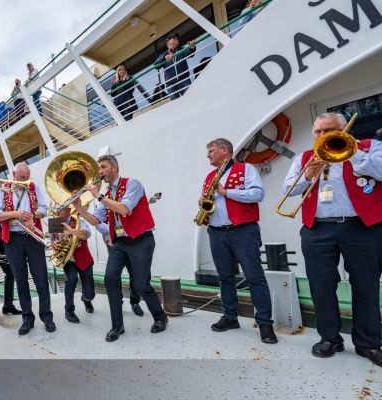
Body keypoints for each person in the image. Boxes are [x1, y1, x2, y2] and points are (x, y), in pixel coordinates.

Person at [282, 113, 382, 366]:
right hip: (317, 229)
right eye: (318, 131)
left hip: (362, 227)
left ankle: (368, 343)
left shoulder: (370, 147)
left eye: (330, 130)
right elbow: (287, 190)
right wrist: (307, 175)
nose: (323, 135)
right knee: (321, 286)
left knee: (366, 285)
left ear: (345, 129)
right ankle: (330, 338)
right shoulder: (304, 158)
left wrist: (353, 152)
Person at [73, 155, 167, 342]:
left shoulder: (132, 184)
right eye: (99, 168)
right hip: (120, 242)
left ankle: (160, 316)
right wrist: (79, 208)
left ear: (114, 168)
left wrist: (98, 196)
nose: (100, 172)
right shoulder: (106, 194)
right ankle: (117, 326)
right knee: (110, 278)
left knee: (141, 284)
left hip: (141, 239)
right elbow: (95, 221)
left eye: (103, 167)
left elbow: (124, 209)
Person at [199, 138, 277, 344]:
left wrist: (226, 192)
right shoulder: (209, 176)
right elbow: (211, 201)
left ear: (225, 150)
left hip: (242, 231)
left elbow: (257, 194)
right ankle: (230, 316)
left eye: (211, 151)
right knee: (225, 277)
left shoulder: (246, 168)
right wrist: (202, 203)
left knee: (255, 277)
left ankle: (265, 323)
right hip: (216, 232)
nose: (208, 155)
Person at [0, 162, 54, 335]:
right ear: (13, 174)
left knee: (41, 278)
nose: (24, 182)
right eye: (21, 178)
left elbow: (43, 209)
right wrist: (16, 214)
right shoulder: (4, 188)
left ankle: (47, 317)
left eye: (26, 179)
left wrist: (33, 216)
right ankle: (27, 319)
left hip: (33, 238)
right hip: (13, 239)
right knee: (21, 280)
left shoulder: (33, 187)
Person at [51, 207, 95, 323]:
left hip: (84, 259)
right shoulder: (55, 221)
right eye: (58, 208)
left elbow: (87, 234)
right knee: (71, 280)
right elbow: (52, 241)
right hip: (68, 260)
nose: (58, 211)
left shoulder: (78, 219)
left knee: (90, 294)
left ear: (69, 210)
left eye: (62, 208)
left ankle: (86, 299)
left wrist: (71, 231)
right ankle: (69, 311)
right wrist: (54, 244)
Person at [96, 221, 144, 316]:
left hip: (131, 242)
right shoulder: (102, 206)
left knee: (134, 273)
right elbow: (98, 224)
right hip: (113, 243)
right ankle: (118, 302)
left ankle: (135, 302)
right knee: (114, 275)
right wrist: (114, 227)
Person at [154, 33, 196, 100]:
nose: (176, 38)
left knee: (190, 99)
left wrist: (192, 47)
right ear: (168, 43)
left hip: (184, 80)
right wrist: (164, 58)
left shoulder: (181, 49)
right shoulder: (163, 54)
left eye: (176, 38)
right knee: (175, 105)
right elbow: (156, 65)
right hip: (170, 84)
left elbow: (190, 53)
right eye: (173, 37)